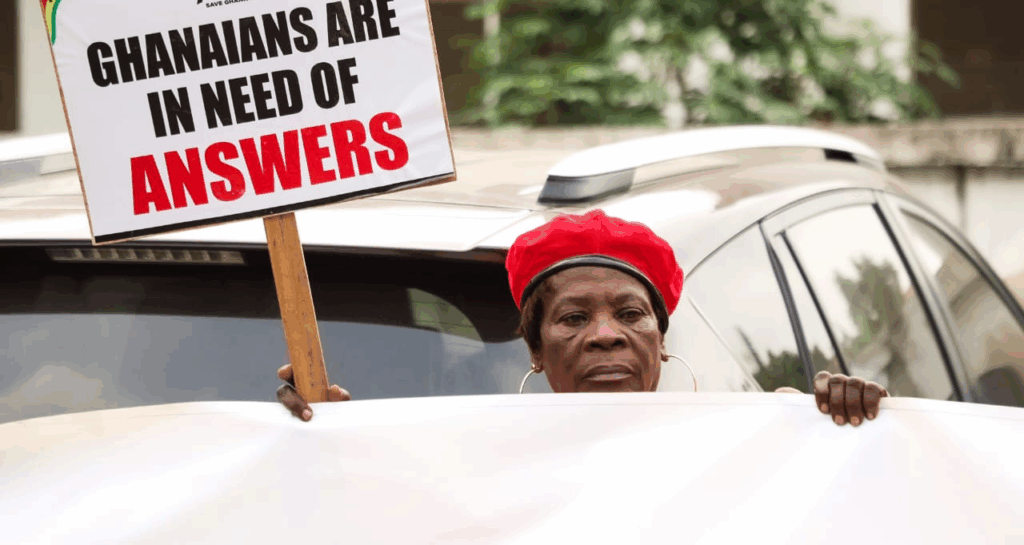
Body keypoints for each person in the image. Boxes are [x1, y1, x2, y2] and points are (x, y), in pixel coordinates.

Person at [277, 210, 888, 425]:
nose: (604, 334)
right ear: (536, 349)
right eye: (573, 318)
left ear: (661, 341)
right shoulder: (475, 457)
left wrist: (832, 427)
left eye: (630, 313)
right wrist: (330, 443)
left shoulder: (754, 439)